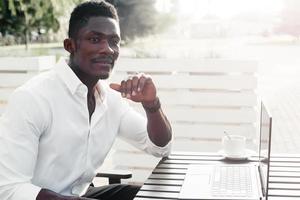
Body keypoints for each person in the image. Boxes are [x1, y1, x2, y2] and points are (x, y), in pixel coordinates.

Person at [0, 1, 172, 200]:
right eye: (95, 39)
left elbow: (160, 147)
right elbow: (9, 189)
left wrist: (152, 105)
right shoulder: (33, 98)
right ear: (70, 45)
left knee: (155, 195)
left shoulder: (111, 99)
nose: (108, 49)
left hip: (83, 194)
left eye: (114, 41)